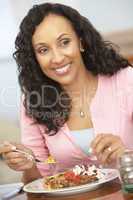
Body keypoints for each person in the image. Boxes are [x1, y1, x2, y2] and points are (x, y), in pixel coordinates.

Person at [0, 2, 133, 184]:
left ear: (81, 41)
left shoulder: (125, 80)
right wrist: (28, 165)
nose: (57, 58)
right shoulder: (33, 100)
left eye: (64, 42)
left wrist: (126, 155)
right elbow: (38, 180)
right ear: (35, 58)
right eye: (43, 50)